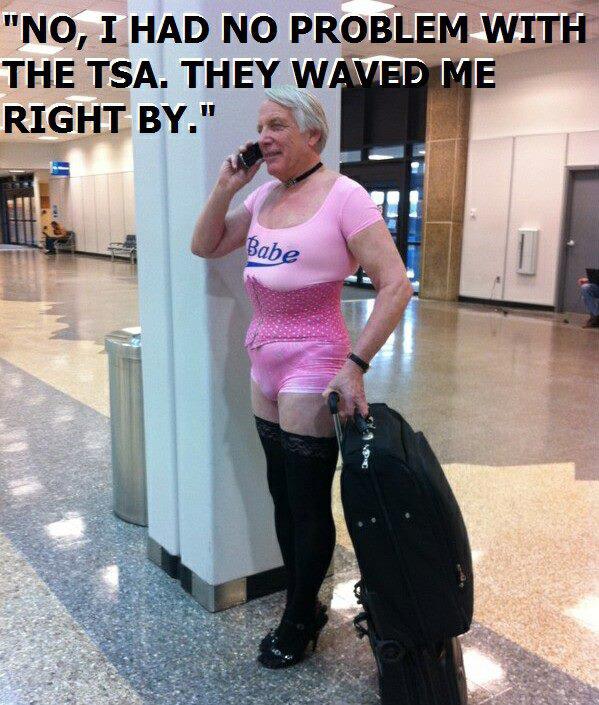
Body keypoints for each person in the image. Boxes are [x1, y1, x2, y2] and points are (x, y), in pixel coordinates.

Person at [190, 86, 413, 669]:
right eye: (260, 127)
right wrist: (226, 186)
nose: (263, 137)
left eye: (277, 126)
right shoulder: (263, 195)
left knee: (307, 501)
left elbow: (396, 285)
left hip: (315, 359)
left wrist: (355, 365)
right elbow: (204, 245)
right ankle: (303, 600)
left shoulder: (346, 196)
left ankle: (299, 617)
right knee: (280, 494)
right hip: (263, 357)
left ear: (313, 134)